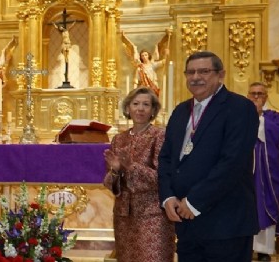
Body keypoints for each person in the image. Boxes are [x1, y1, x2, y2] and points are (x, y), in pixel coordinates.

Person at [158, 51, 259, 261]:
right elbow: (166, 159)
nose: (196, 77)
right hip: (186, 224)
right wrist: (167, 197)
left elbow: (232, 163)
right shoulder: (180, 111)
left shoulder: (240, 107)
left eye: (204, 71)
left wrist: (194, 201)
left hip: (225, 223)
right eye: (191, 72)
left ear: (220, 75)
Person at [103, 87, 174, 262]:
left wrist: (132, 167)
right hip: (123, 215)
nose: (140, 109)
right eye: (135, 104)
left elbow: (163, 178)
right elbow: (111, 183)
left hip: (153, 215)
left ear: (153, 110)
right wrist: (116, 170)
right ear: (128, 108)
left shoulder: (160, 136)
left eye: (146, 104)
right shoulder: (119, 139)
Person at [247, 82, 279, 262]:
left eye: (260, 94)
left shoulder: (274, 117)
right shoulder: (241, 116)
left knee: (265, 207)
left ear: (266, 97)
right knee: (246, 208)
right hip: (246, 173)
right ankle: (246, 247)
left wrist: (258, 117)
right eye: (253, 94)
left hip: (268, 173)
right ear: (248, 96)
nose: (256, 97)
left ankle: (264, 251)